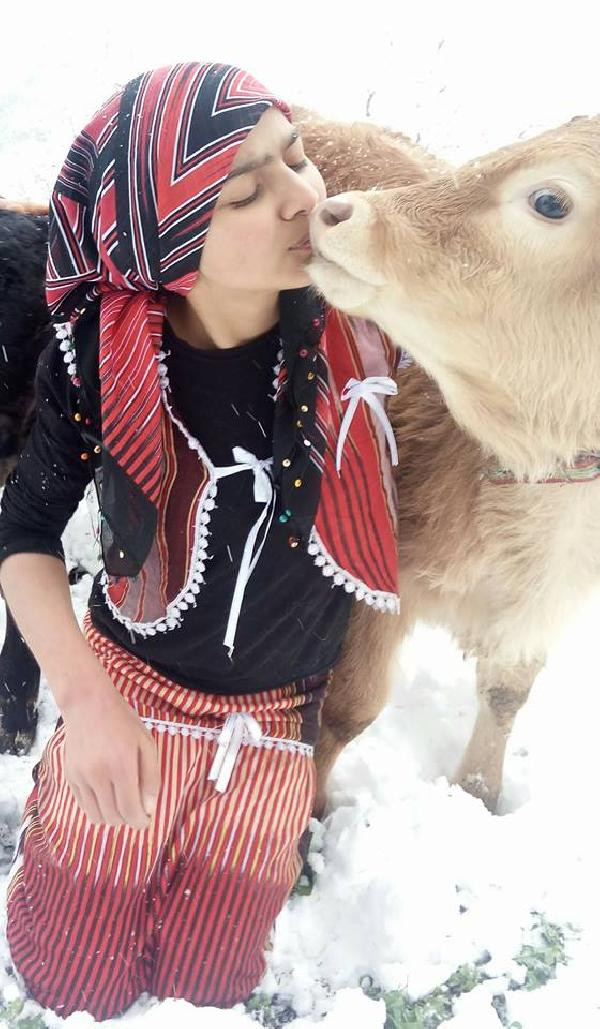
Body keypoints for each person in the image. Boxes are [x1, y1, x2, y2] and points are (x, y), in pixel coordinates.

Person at [0, 62, 401, 1019]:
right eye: (245, 192)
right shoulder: (106, 358)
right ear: (168, 241)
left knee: (208, 975)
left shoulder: (378, 334)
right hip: (125, 709)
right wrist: (86, 701)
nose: (304, 198)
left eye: (296, 156)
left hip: (272, 738)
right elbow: (24, 534)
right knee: (73, 970)